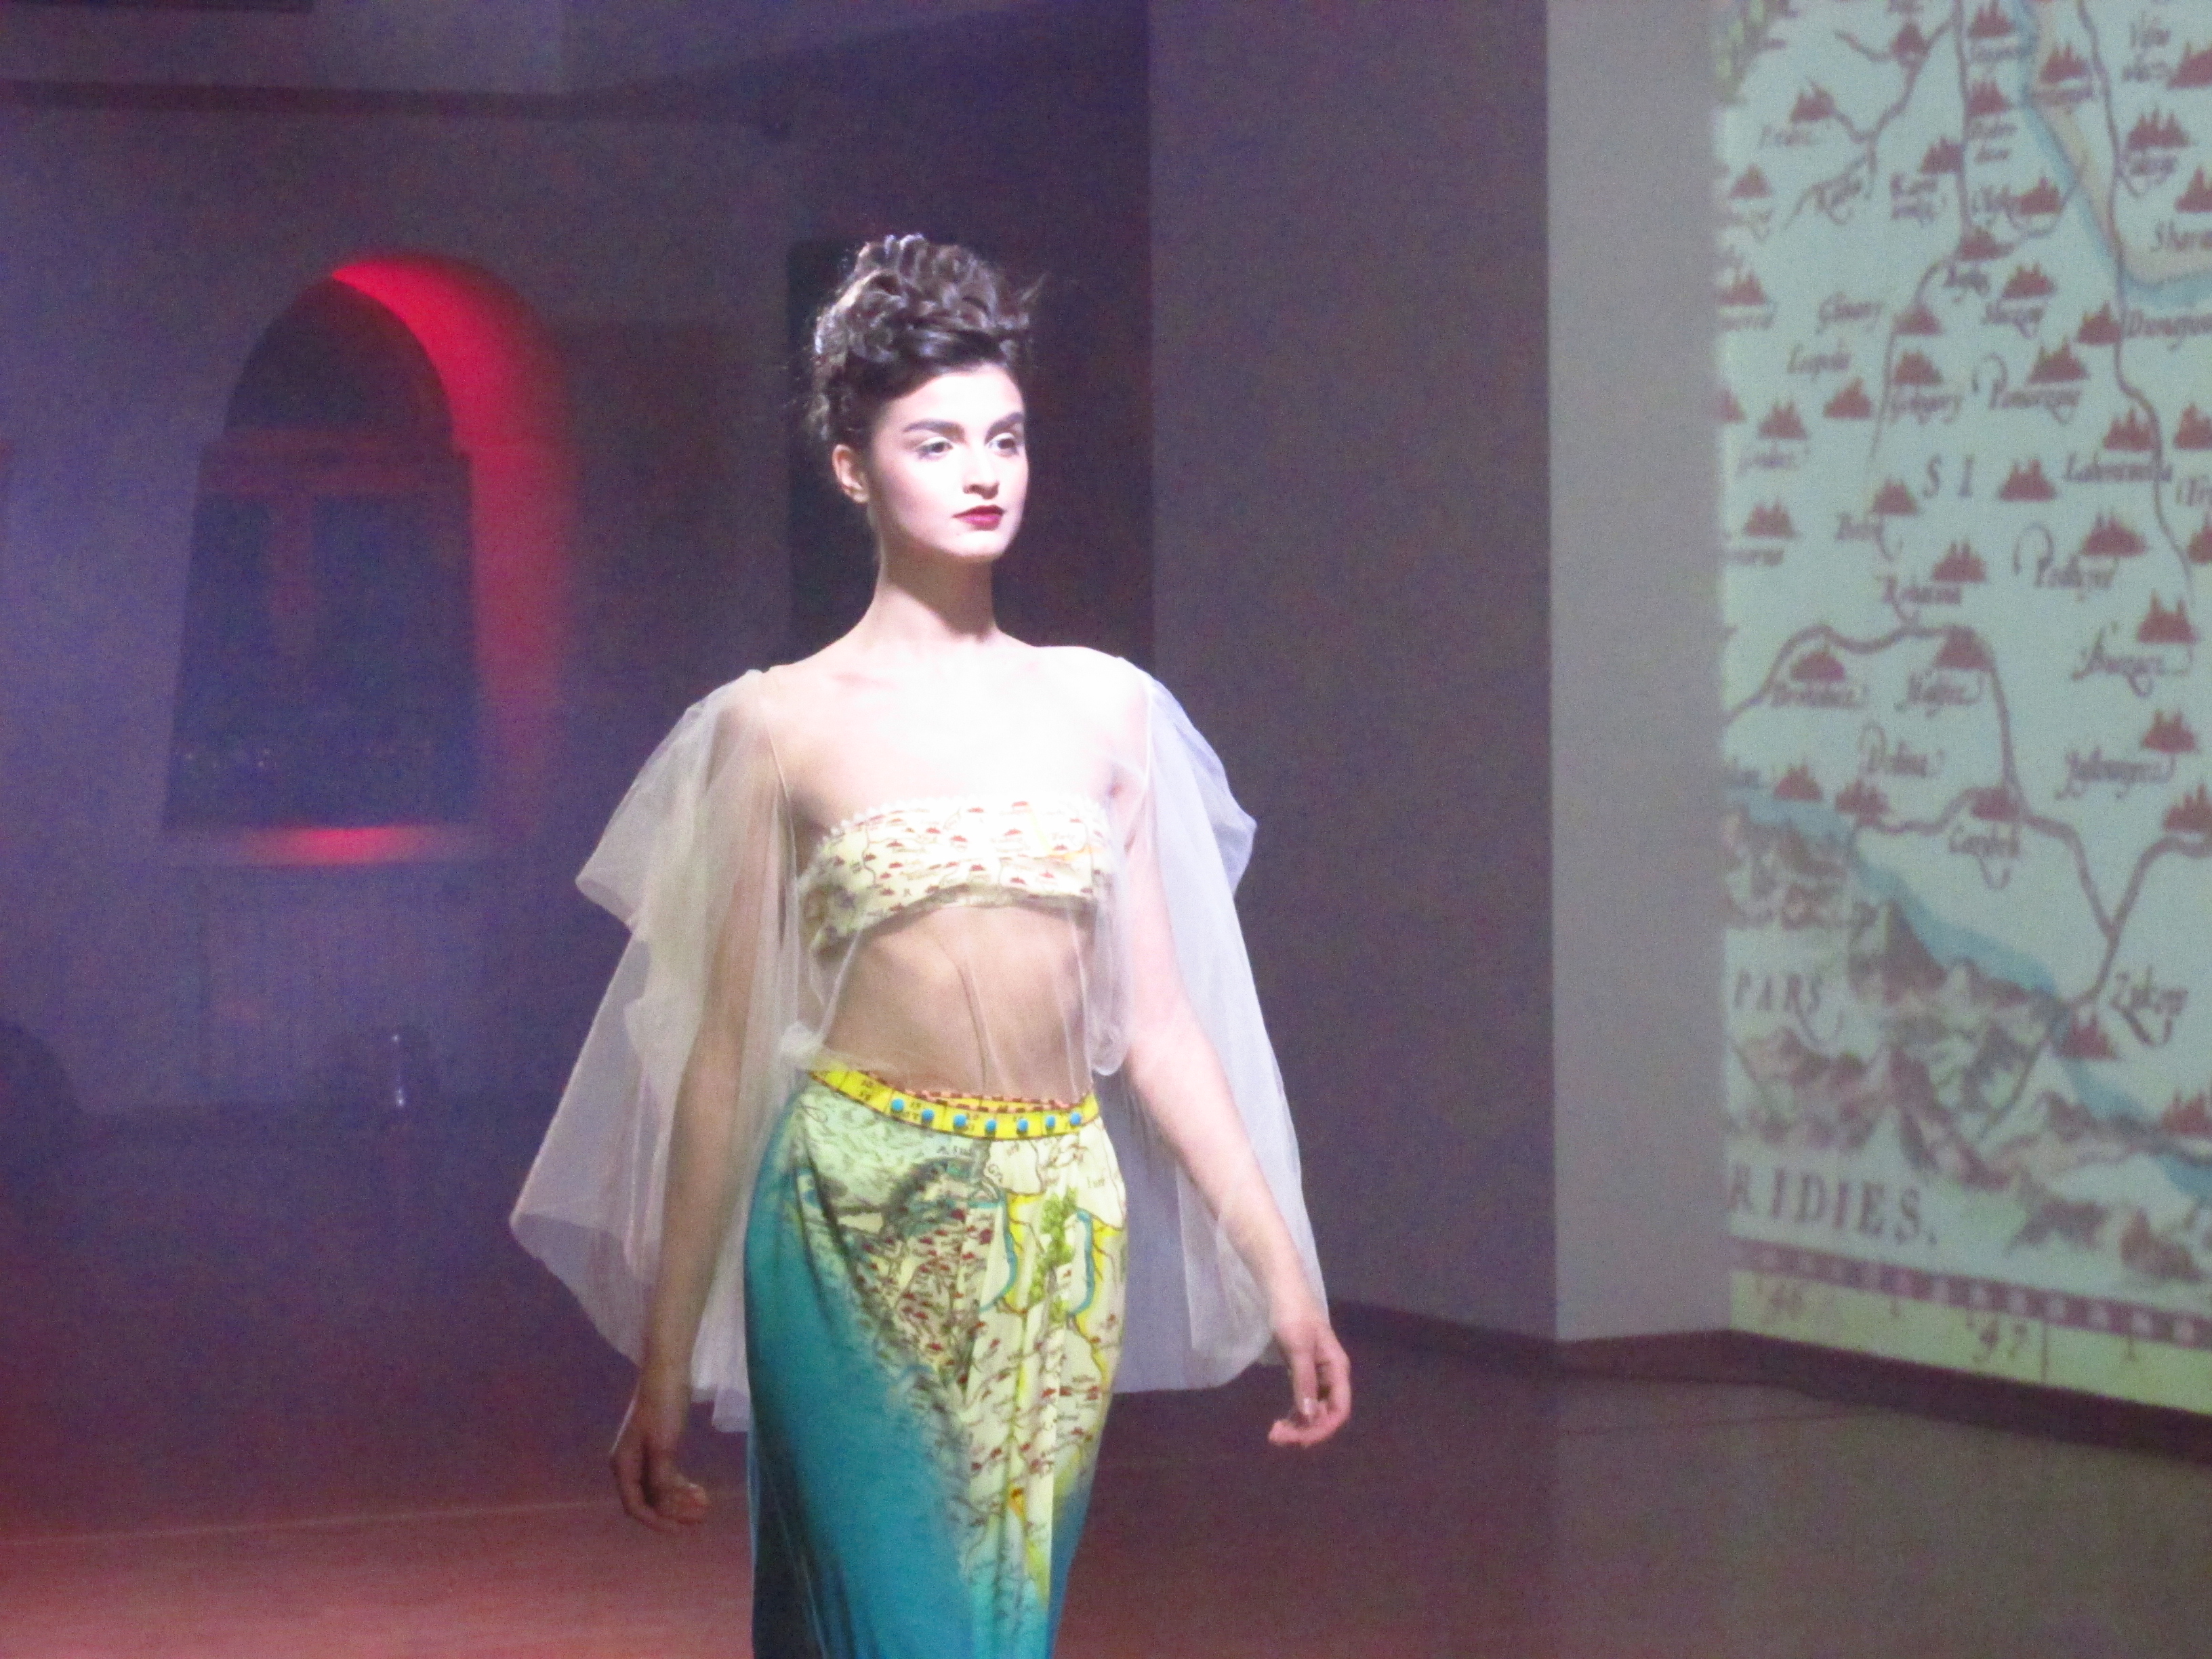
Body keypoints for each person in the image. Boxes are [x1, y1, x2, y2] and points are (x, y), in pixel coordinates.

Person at [512, 234, 1350, 1659]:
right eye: (936, 441)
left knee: (997, 1628)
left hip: (1057, 1236)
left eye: (1006, 438)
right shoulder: (775, 726)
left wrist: (1286, 1273)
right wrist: (663, 1364)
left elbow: (1157, 1029)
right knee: (895, 1628)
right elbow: (720, 1056)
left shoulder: (1106, 709)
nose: (984, 472)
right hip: (849, 1221)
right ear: (853, 469)